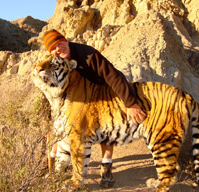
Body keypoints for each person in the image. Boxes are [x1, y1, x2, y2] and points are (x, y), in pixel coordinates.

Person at [42, 29, 146, 187]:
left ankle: (106, 168)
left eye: (60, 43)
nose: (58, 49)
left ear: (66, 40)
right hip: (80, 95)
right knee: (58, 126)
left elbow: (112, 75)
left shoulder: (87, 54)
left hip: (104, 89)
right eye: (53, 47)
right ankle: (53, 165)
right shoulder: (56, 60)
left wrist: (130, 103)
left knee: (104, 131)